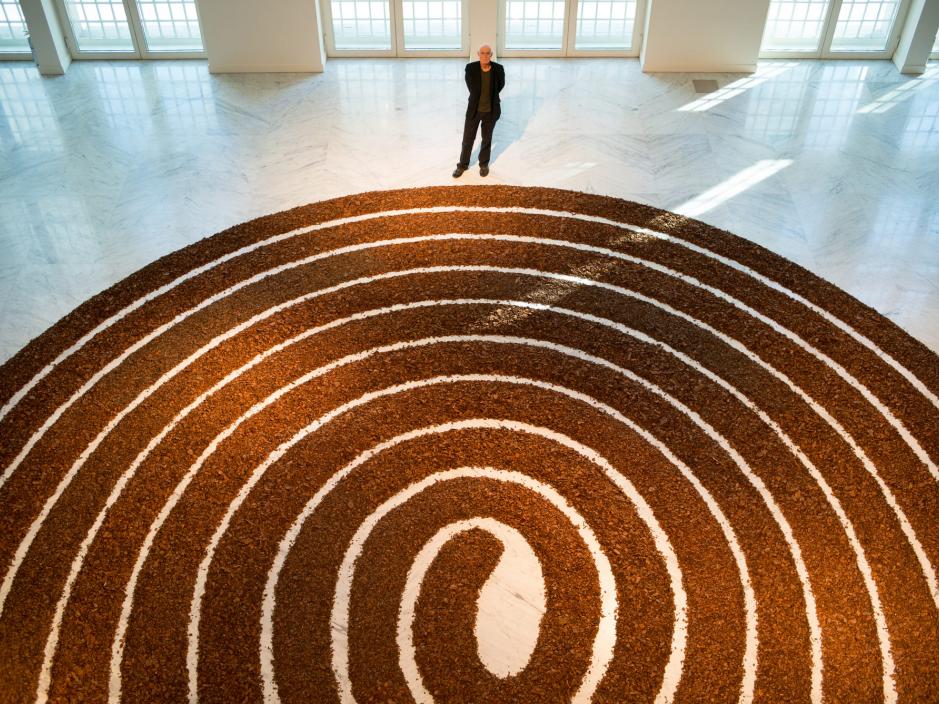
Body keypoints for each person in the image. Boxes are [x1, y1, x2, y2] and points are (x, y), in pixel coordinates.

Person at [453, 45, 505, 178]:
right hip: (474, 111)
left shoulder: (498, 69)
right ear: (478, 54)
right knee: (467, 139)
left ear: (491, 54)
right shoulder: (470, 69)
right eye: (482, 53)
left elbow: (500, 86)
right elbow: (472, 88)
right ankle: (463, 165)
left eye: (488, 53)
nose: (485, 55)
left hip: (490, 111)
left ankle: (483, 164)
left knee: (487, 139)